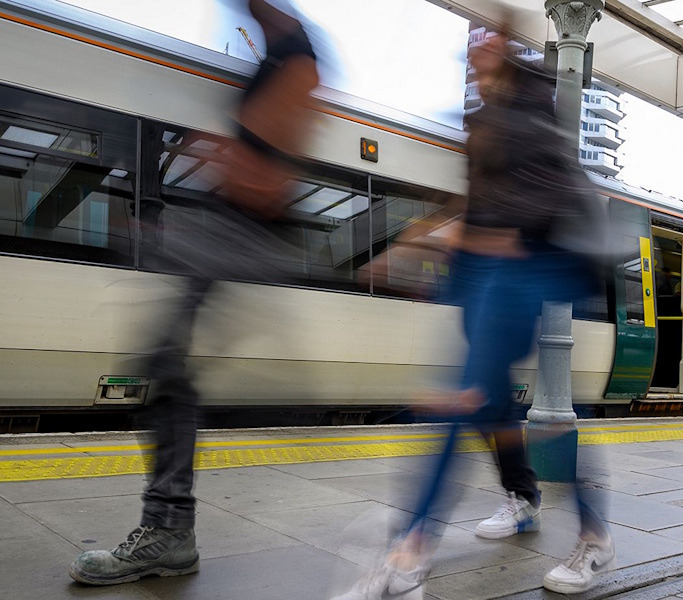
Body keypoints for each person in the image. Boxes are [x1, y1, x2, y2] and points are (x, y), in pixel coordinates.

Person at [336, 30, 612, 600]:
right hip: (485, 279)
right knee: (484, 405)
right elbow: (477, 202)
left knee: (465, 402)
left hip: (520, 277)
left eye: (483, 51)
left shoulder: (530, 113)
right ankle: (543, 509)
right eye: (469, 56)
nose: (472, 63)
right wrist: (420, 240)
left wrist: (472, 237)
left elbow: (540, 199)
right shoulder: (486, 120)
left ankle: (410, 553)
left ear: (507, 54)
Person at [69, 0, 320, 586]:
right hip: (231, 232)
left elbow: (269, 177)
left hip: (239, 233)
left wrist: (223, 171)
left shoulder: (295, 50)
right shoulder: (282, 49)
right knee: (166, 370)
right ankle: (170, 527)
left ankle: (168, 530)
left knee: (164, 367)